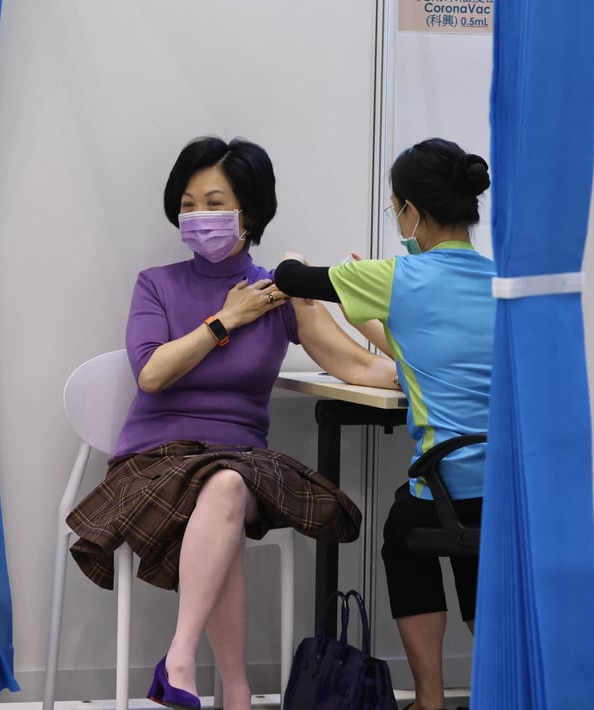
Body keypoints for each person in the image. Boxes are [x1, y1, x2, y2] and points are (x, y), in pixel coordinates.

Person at [67, 136, 399, 710]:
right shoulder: (157, 284)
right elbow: (151, 374)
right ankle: (235, 694)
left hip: (243, 461)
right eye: (188, 204)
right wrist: (226, 319)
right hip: (154, 460)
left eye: (214, 202)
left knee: (225, 482)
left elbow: (360, 366)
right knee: (220, 494)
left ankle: (179, 660)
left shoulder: (283, 291)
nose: (198, 217)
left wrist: (378, 319)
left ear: (251, 211)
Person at [274, 137, 495, 710]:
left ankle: (427, 698)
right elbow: (410, 346)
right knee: (476, 549)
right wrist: (363, 294)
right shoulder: (500, 282)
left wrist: (333, 273)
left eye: (395, 208)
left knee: (404, 533)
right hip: (506, 488)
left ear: (412, 212)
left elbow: (294, 277)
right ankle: (499, 686)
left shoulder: (398, 277)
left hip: (445, 480)